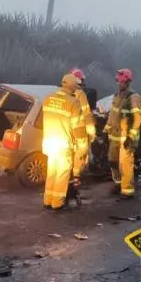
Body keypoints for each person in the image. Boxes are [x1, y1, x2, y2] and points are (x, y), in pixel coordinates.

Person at [41, 74, 83, 211]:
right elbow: (78, 127)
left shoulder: (48, 98)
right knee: (62, 174)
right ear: (72, 86)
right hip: (63, 144)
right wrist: (82, 146)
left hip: (49, 142)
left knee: (52, 172)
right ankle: (57, 203)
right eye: (76, 86)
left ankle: (47, 200)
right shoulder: (73, 102)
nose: (77, 88)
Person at [103, 68, 141, 199]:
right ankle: (118, 183)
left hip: (126, 138)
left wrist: (130, 137)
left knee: (125, 164)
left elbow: (138, 119)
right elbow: (112, 115)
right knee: (112, 161)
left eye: (122, 82)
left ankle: (127, 190)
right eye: (118, 81)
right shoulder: (116, 96)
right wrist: (106, 130)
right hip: (115, 136)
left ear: (128, 82)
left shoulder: (133, 97)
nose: (119, 84)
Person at [68, 68, 96, 195]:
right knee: (81, 152)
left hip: (65, 130)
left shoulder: (61, 93)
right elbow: (86, 114)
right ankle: (76, 178)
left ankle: (67, 177)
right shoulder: (81, 94)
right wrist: (91, 131)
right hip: (78, 129)